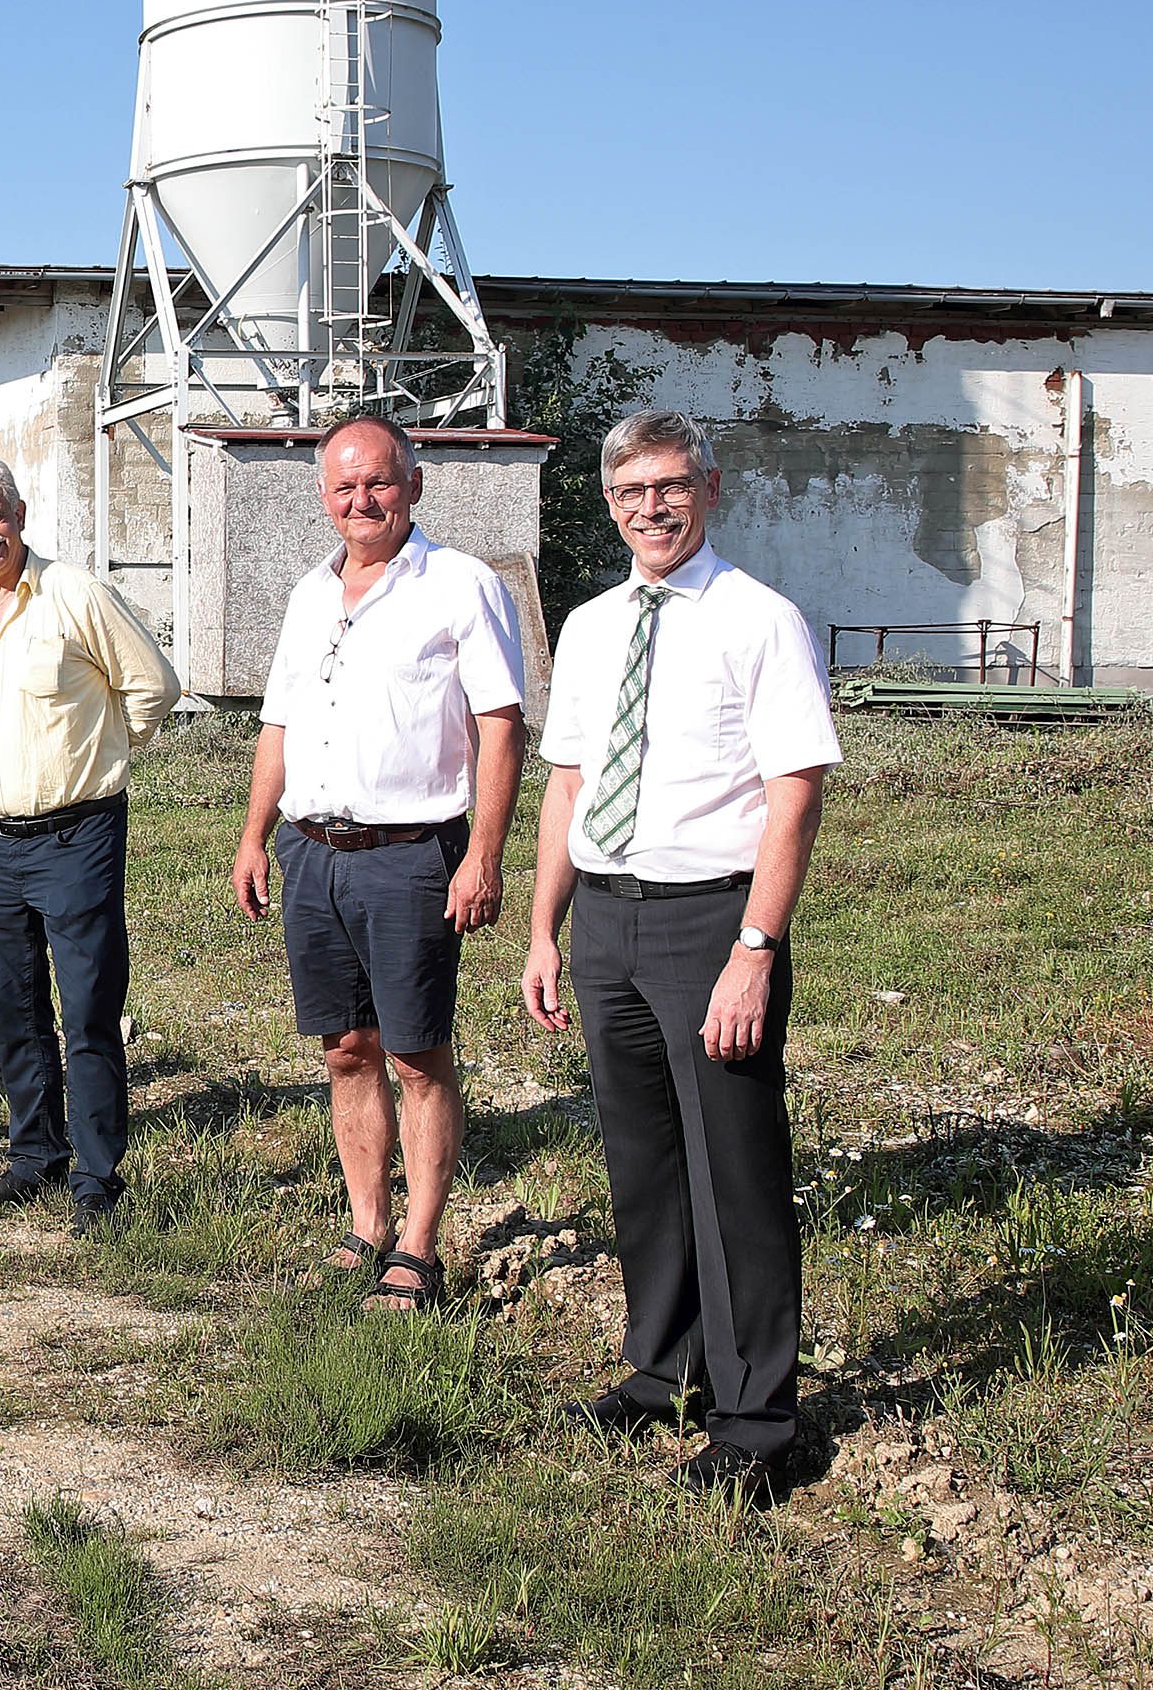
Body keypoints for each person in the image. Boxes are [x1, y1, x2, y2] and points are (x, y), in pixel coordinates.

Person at [524, 409, 841, 1505]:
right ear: (609, 506)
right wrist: (543, 929)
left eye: (668, 487)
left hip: (711, 922)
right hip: (607, 918)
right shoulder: (592, 625)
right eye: (628, 494)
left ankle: (758, 1421)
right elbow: (566, 782)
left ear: (708, 488)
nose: (649, 509)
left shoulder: (760, 620)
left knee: (734, 1171)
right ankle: (660, 1370)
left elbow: (794, 790)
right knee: (643, 1164)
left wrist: (755, 948)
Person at [233, 417, 527, 1308]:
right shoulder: (308, 595)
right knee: (346, 1048)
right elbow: (278, 724)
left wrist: (483, 850)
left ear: (415, 483)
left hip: (411, 854)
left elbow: (500, 724)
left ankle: (419, 1244)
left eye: (380, 483)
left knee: (416, 1052)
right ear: (324, 497)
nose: (362, 502)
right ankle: (366, 1224)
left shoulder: (461, 585)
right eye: (343, 488)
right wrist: (254, 834)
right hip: (311, 849)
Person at [0, 454, 179, 1226]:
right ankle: (34, 1154)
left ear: (20, 515)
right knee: (12, 1009)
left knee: (88, 1009)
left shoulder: (74, 593)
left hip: (79, 835)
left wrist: (104, 752)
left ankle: (98, 1180)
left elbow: (154, 685)